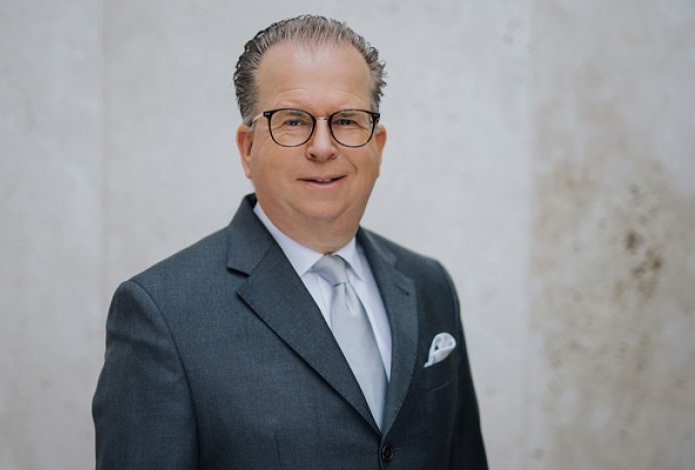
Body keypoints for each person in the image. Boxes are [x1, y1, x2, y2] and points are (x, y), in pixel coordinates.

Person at [92, 14, 487, 470]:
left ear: (378, 146)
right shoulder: (162, 313)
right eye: (294, 121)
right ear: (247, 149)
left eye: (347, 120)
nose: (322, 147)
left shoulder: (429, 285)